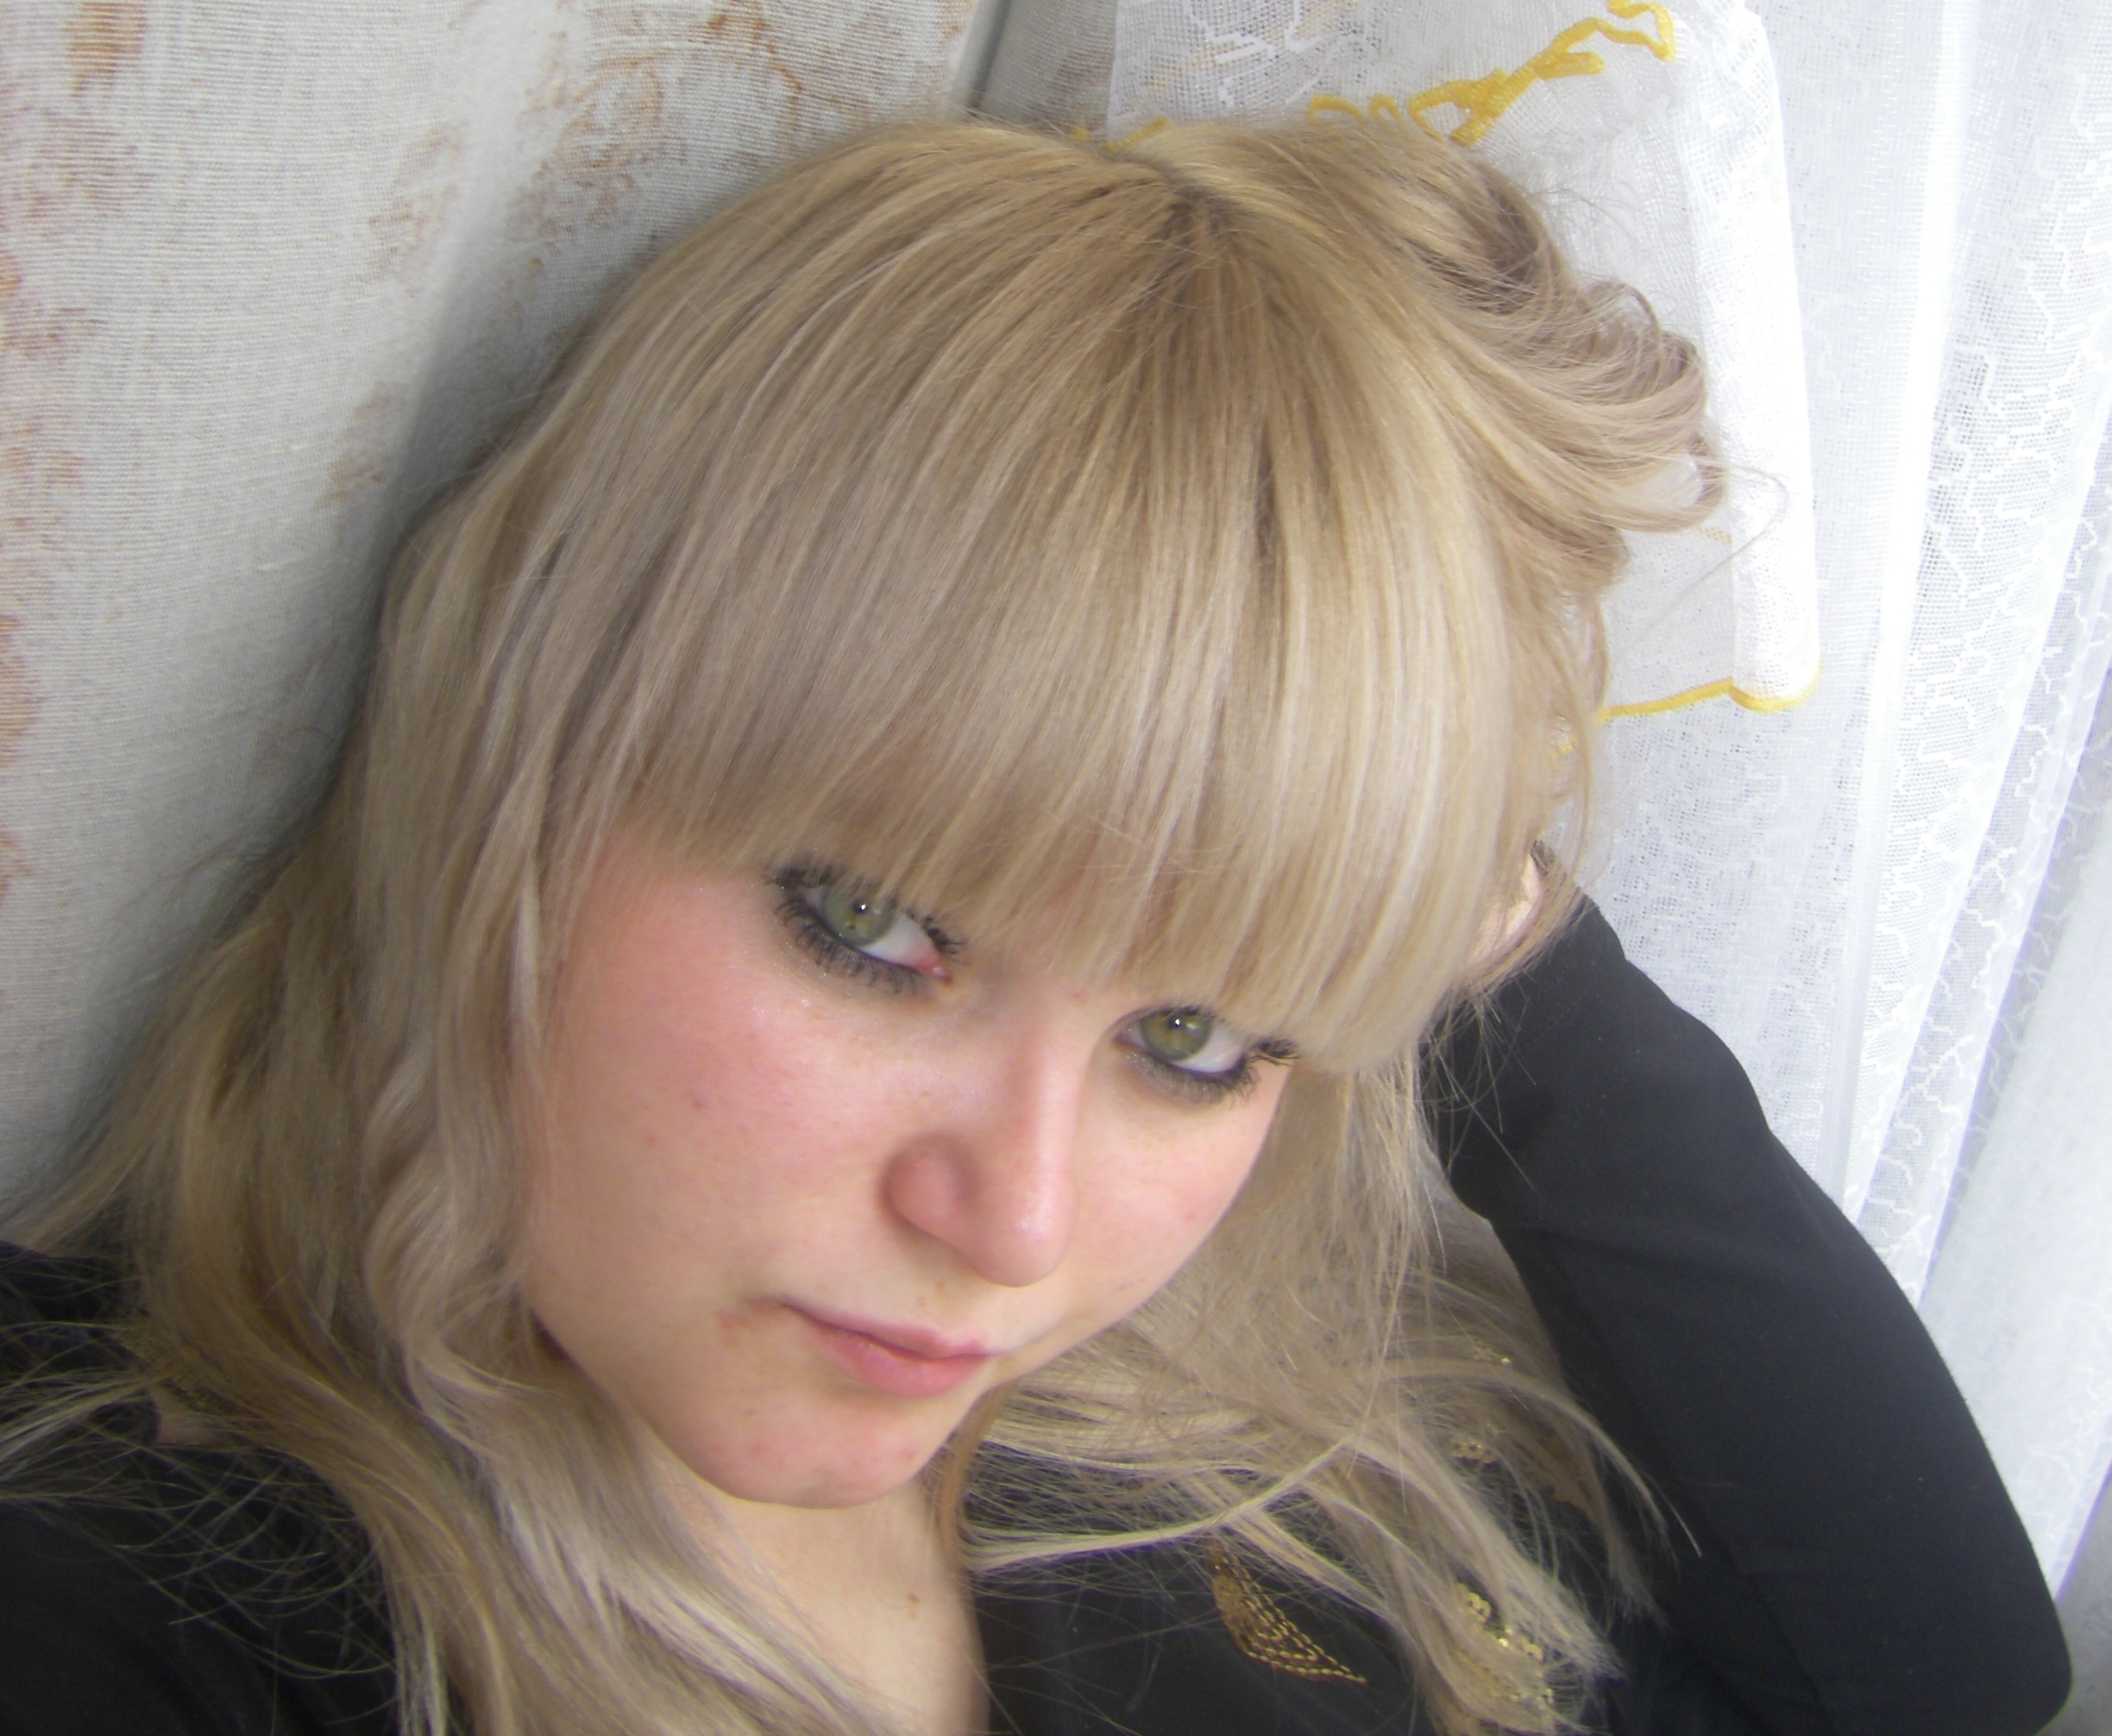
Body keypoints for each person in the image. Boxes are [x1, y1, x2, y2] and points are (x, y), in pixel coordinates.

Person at [0, 116, 2071, 1736]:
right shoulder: (156, 1597)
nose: (1015, 1225)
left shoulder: (1192, 1455)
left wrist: (1473, 904)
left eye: (1194, 1039)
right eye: (873, 925)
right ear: (511, 758)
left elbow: (1933, 1680)